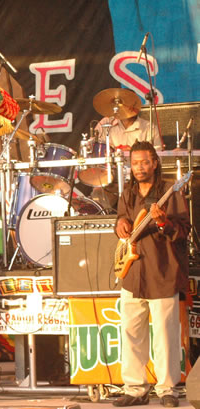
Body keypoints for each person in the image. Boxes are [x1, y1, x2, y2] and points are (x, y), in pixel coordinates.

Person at [113, 141, 190, 407]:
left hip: (162, 271)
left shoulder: (171, 191)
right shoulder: (128, 193)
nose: (139, 168)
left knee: (165, 336)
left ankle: (167, 389)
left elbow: (183, 231)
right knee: (131, 334)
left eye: (144, 162)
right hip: (133, 272)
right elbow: (122, 219)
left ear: (155, 163)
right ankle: (135, 389)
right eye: (135, 163)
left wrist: (162, 222)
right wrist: (120, 224)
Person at [95, 113, 163, 151]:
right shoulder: (106, 123)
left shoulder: (150, 128)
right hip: (109, 172)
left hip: (139, 174)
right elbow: (94, 149)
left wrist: (134, 153)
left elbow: (157, 156)